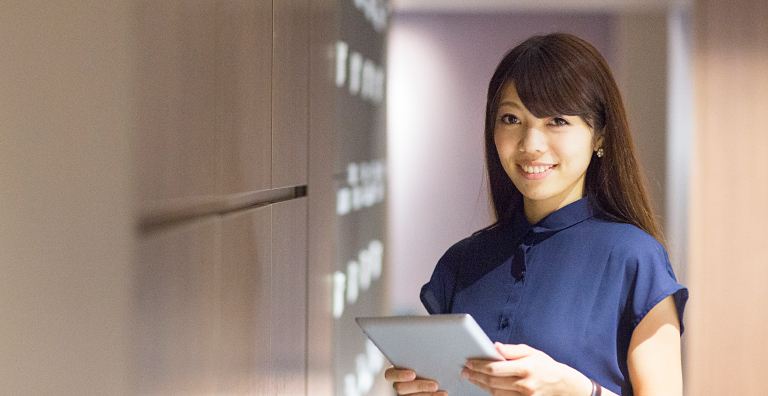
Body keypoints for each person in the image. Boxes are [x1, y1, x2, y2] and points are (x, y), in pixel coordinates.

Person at [385, 33, 688, 396]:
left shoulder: (635, 260)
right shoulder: (461, 263)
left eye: (557, 120)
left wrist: (576, 389)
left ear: (600, 136)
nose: (530, 145)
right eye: (511, 118)